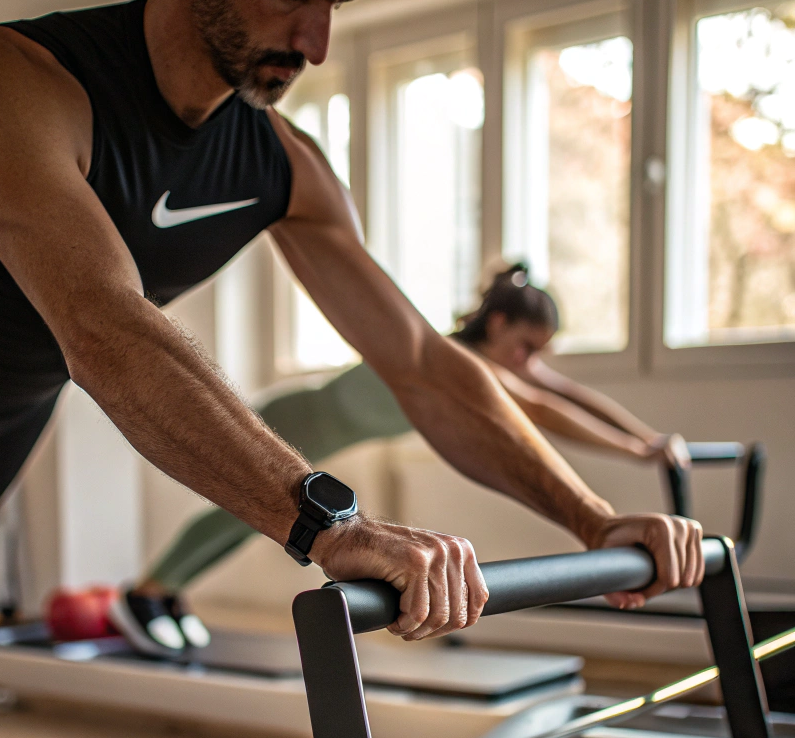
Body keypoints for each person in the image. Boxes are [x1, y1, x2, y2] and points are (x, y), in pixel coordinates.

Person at [0, 0, 703, 738]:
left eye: (336, 5)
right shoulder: (18, 76)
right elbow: (101, 323)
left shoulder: (284, 166)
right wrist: (331, 524)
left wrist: (591, 520)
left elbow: (420, 359)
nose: (315, 42)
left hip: (8, 402)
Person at [117, 262, 694, 655]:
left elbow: (562, 391)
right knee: (234, 515)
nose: (530, 362)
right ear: (497, 325)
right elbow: (541, 406)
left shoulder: (489, 367)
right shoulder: (450, 363)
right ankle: (144, 593)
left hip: (321, 435)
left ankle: (167, 592)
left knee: (248, 528)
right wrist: (634, 450)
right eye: (525, 346)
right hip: (290, 425)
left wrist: (649, 439)